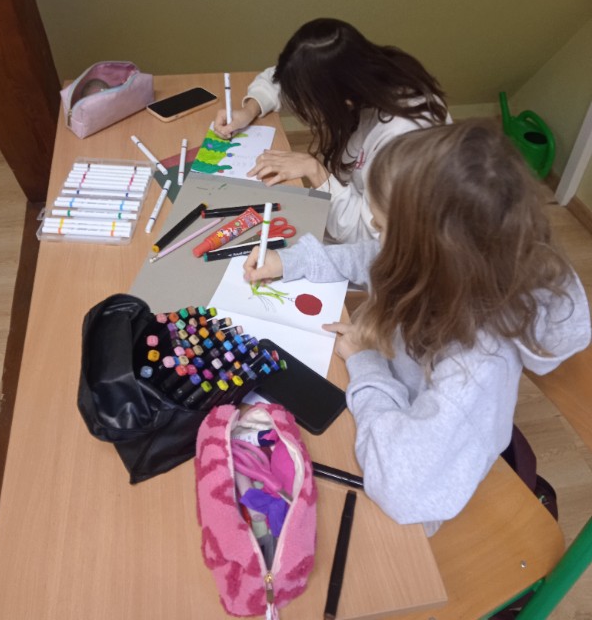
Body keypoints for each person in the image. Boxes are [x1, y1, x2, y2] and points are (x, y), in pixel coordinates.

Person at [242, 120, 591, 536]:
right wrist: (292, 262)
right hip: (394, 412)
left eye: (382, 227)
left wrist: (367, 365)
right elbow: (376, 257)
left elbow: (402, 488)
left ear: (432, 251)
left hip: (415, 485)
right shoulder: (461, 266)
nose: (376, 237)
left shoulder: (476, 369)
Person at [213, 18, 449, 243]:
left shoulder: (404, 141)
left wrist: (314, 170)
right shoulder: (357, 72)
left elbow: (365, 235)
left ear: (344, 102)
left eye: (307, 104)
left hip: (376, 246)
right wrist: (250, 109)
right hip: (342, 203)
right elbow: (281, 79)